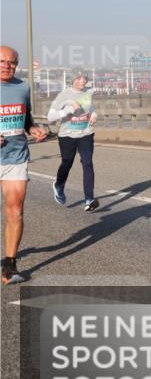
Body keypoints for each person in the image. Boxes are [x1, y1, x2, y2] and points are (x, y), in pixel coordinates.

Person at [0, 46, 48, 284]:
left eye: (11, 62)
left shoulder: (22, 87)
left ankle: (9, 266)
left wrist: (34, 128)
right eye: (2, 61)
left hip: (15, 157)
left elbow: (26, 118)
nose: (6, 65)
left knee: (15, 209)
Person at [48, 70, 100, 211]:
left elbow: (91, 109)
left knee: (87, 163)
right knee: (67, 163)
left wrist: (94, 115)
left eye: (85, 78)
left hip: (86, 134)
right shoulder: (64, 95)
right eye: (79, 78)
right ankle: (59, 185)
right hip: (67, 135)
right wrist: (68, 110)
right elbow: (50, 117)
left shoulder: (87, 93)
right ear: (72, 80)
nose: (83, 81)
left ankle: (89, 199)